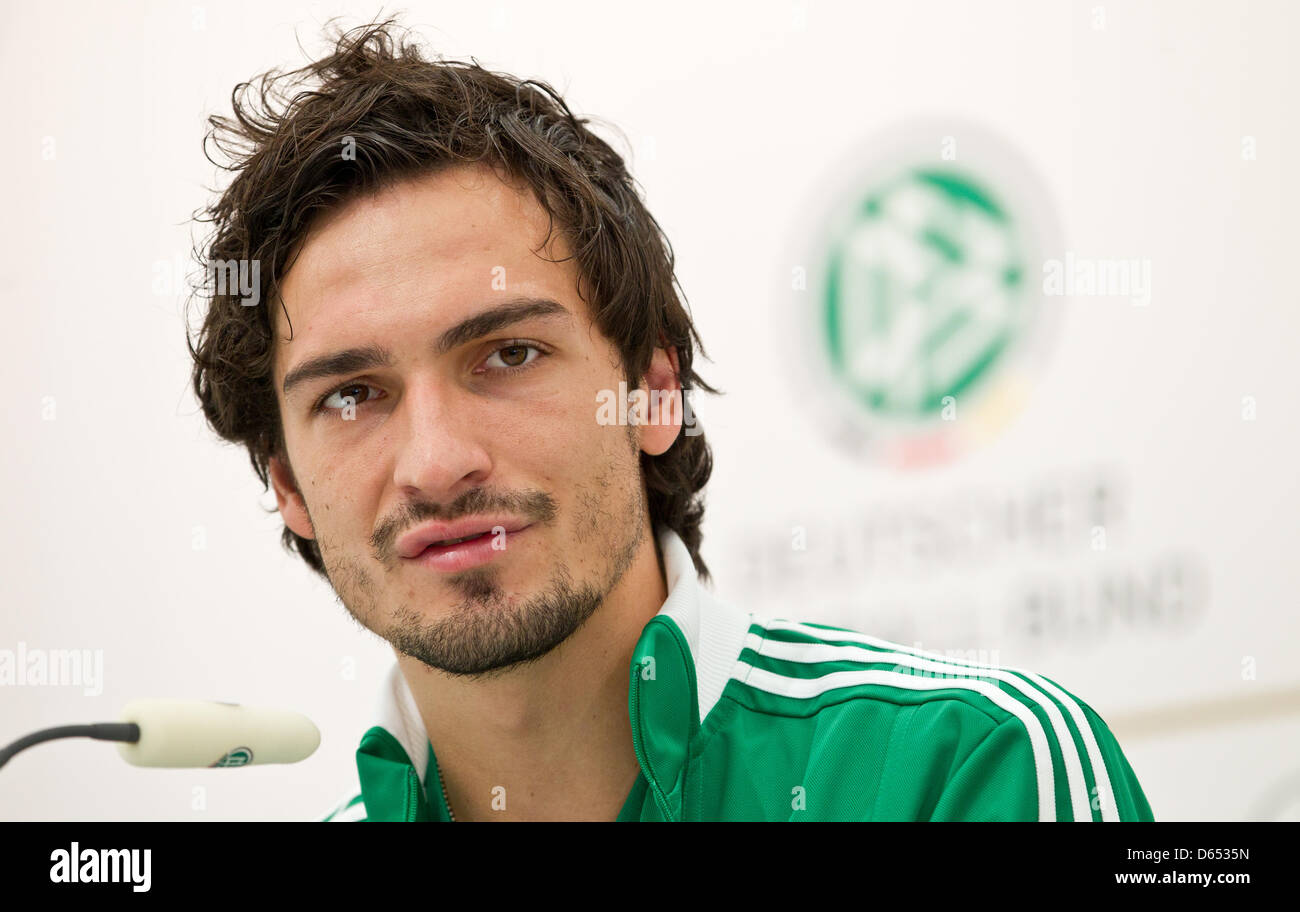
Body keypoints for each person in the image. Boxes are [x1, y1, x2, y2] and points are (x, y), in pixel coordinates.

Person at [187, 20, 1153, 822]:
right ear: (285, 484)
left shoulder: (964, 769)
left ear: (654, 394)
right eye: (351, 395)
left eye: (508, 355)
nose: (437, 463)